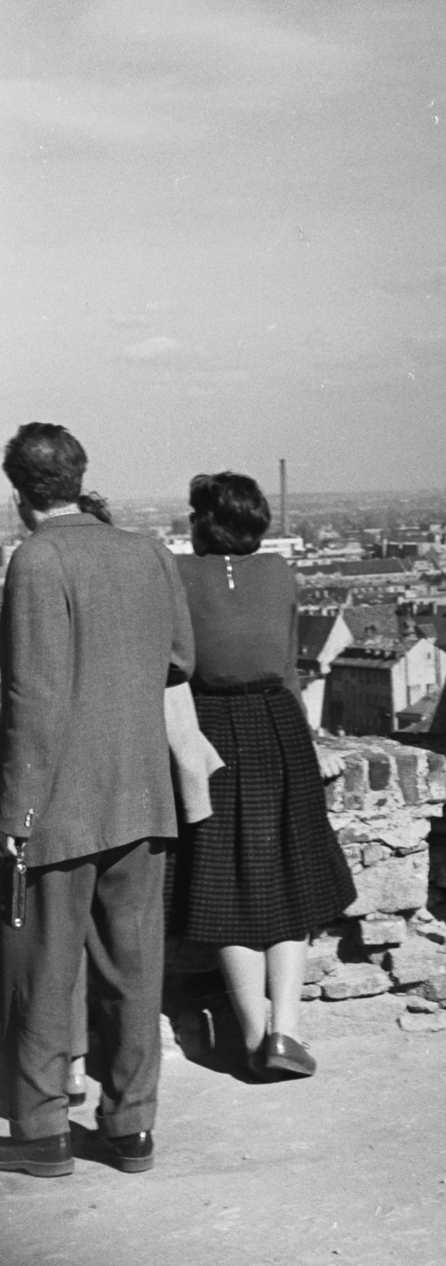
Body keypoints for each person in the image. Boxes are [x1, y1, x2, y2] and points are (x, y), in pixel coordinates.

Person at [0, 424, 195, 1179]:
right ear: (80, 477)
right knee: (133, 966)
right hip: (141, 793)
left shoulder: (38, 560)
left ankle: (44, 1130)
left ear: (19, 493)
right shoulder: (144, 549)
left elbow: (33, 697)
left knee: (44, 969)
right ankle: (131, 1127)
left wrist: (15, 815)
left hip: (60, 803)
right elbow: (181, 658)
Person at [171, 472, 353, 1078]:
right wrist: (310, 738)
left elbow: (175, 667)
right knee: (291, 882)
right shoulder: (279, 573)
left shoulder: (179, 573)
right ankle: (287, 1033)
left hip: (209, 730)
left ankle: (253, 1035)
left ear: (204, 519)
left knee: (226, 884)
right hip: (277, 726)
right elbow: (286, 666)